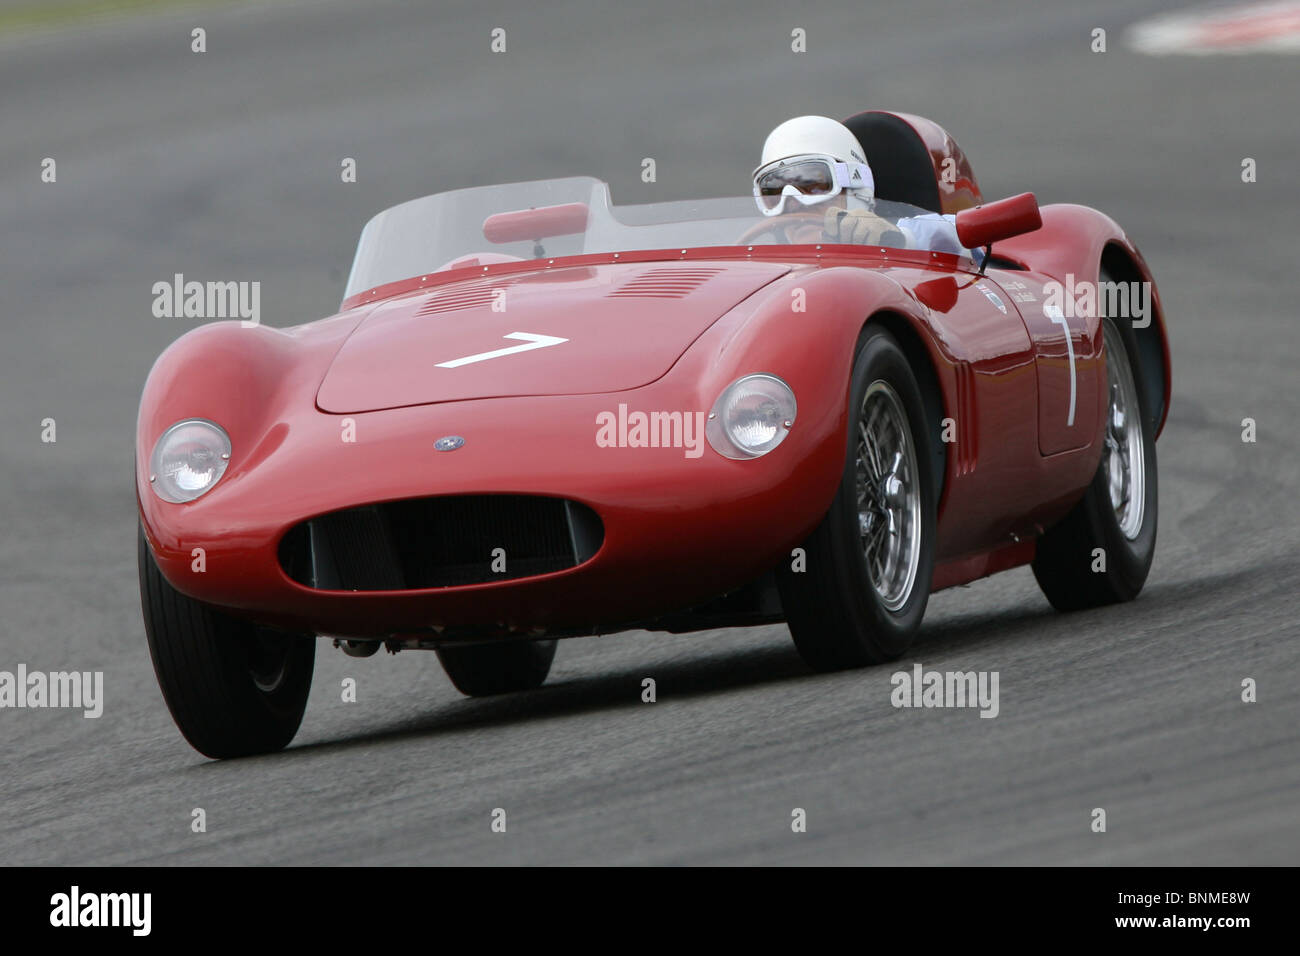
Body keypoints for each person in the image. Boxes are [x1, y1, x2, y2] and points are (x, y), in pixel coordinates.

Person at [752, 115, 969, 256]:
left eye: (811, 183)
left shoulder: (910, 236)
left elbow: (971, 245)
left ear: (855, 184)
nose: (793, 205)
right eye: (774, 192)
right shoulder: (763, 278)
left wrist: (901, 240)